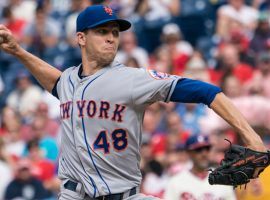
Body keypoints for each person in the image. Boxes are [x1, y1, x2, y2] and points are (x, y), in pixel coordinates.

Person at [0, 4, 267, 200]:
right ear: (80, 38)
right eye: (102, 31)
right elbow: (56, 83)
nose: (111, 38)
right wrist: (18, 51)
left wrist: (251, 136)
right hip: (72, 195)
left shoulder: (132, 79)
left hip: (124, 195)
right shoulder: (69, 80)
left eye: (115, 32)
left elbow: (206, 91)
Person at [164, 134, 236, 200]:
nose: (204, 153)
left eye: (207, 148)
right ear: (189, 153)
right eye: (198, 150)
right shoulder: (176, 182)